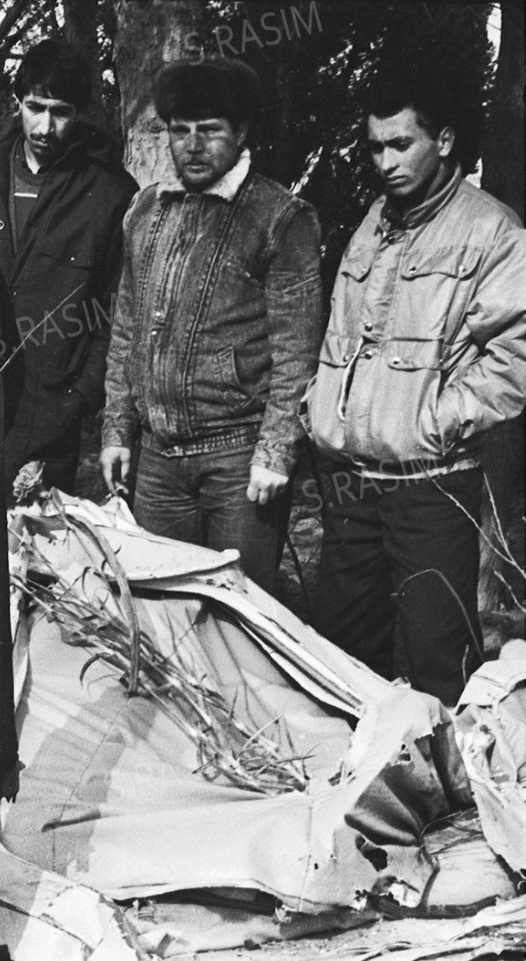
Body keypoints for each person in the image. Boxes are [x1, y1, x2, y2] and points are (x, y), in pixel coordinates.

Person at [303, 69, 526, 704]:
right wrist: (321, 409)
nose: (386, 162)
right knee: (342, 660)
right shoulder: (374, 220)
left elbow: (514, 359)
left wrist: (431, 423)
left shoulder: (493, 230)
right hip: (352, 481)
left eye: (401, 144)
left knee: (435, 661)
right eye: (375, 147)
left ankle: (441, 769)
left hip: (432, 485)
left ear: (445, 140)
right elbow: (343, 333)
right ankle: (362, 766)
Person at [101, 58, 323, 593]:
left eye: (210, 130)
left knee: (239, 610)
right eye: (180, 130)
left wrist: (275, 453)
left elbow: (297, 352)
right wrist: (117, 431)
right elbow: (126, 329)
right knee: (162, 610)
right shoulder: (145, 211)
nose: (194, 145)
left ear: (241, 131)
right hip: (157, 462)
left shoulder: (279, 218)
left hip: (237, 461)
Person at [0, 38, 137, 492]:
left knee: (40, 536)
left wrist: (79, 397)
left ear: (81, 112)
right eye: (35, 107)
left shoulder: (110, 193)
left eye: (61, 112)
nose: (46, 126)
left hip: (51, 416)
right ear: (18, 102)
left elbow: (117, 313)